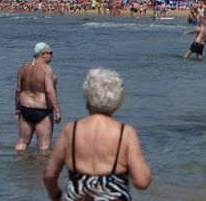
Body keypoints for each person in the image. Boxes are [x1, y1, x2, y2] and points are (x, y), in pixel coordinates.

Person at [44, 68, 151, 200]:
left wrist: (56, 195)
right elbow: (142, 182)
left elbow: (49, 175)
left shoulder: (70, 130)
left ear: (87, 98)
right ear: (117, 100)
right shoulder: (125, 133)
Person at [15, 42, 62, 151]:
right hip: (43, 111)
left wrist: (17, 109)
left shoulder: (23, 68)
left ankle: (19, 165)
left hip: (25, 109)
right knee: (44, 147)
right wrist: (57, 110)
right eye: (50, 53)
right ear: (43, 54)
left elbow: (18, 91)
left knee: (21, 143)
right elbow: (49, 91)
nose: (51, 55)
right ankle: (41, 168)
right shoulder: (46, 69)